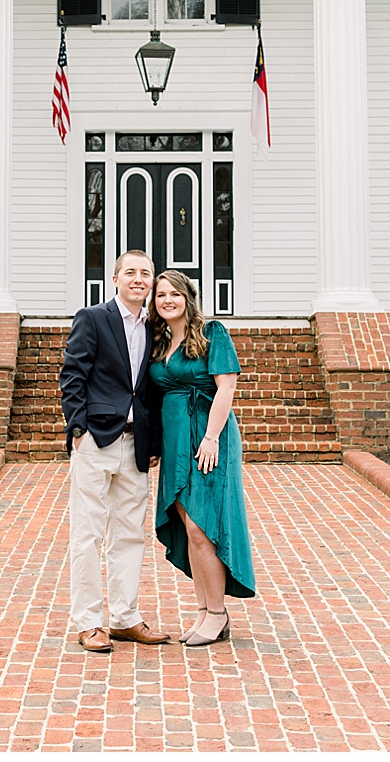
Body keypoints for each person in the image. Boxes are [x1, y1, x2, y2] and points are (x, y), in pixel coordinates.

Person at [58, 249, 173, 653]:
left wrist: (154, 441)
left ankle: (125, 618)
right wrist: (77, 426)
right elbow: (73, 374)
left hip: (136, 444)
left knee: (129, 535)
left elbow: (153, 390)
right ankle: (88, 621)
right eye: (131, 272)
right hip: (96, 439)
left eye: (146, 273)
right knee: (87, 534)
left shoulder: (156, 328)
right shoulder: (93, 318)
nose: (139, 279)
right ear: (116, 278)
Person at [146, 269, 256, 647]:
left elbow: (227, 386)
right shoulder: (158, 342)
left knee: (202, 526)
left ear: (188, 297)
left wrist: (211, 437)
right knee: (189, 527)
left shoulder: (213, 333)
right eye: (161, 295)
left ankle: (218, 613)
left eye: (175, 294)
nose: (168, 301)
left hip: (209, 435)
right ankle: (204, 611)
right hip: (176, 439)